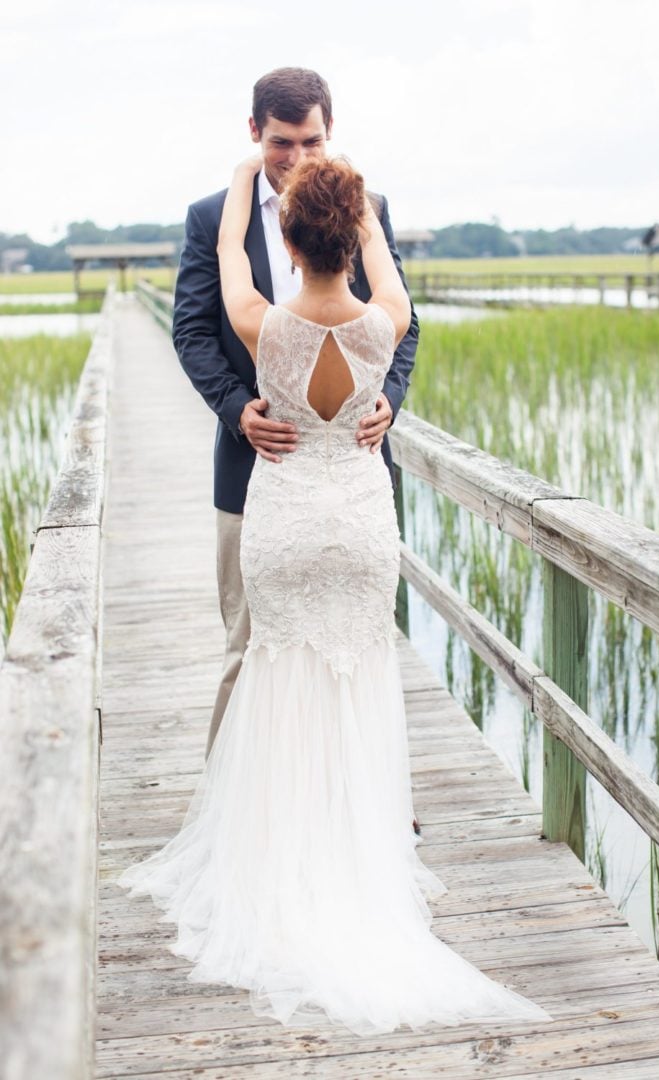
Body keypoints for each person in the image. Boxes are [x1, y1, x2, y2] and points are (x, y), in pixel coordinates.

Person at [117, 152, 553, 1035]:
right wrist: (362, 223)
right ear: (355, 238)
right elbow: (393, 282)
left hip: (280, 523)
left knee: (277, 678)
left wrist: (248, 186)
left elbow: (231, 275)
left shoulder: (262, 325)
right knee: (360, 680)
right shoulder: (382, 325)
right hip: (358, 524)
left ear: (288, 233)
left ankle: (275, 865)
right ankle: (359, 861)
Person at [170, 69, 419, 827]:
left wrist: (387, 402)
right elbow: (189, 329)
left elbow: (407, 351)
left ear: (330, 130)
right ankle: (232, 807)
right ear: (256, 133)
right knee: (252, 651)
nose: (298, 155)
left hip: (333, 478)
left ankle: (361, 808)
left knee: (354, 651)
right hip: (259, 471)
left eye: (313, 141)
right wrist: (237, 408)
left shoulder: (351, 217)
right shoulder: (213, 215)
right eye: (282, 143)